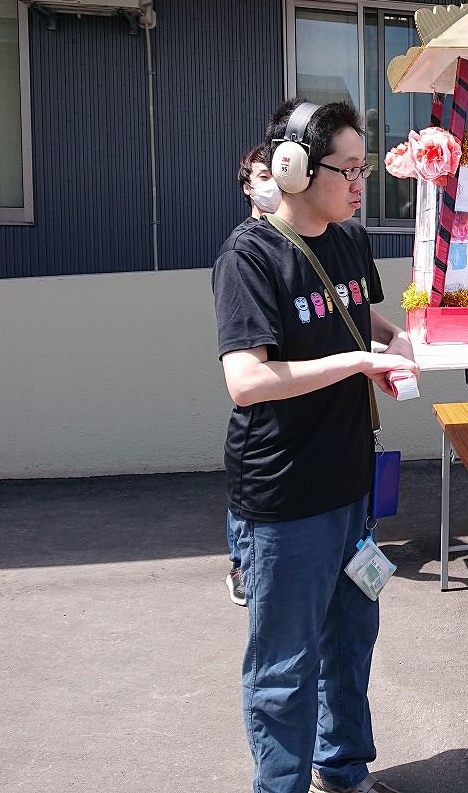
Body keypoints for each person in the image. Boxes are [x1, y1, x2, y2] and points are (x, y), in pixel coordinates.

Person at [213, 98, 418, 793]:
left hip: (352, 489)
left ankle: (344, 768)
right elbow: (246, 380)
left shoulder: (351, 239)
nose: (361, 183)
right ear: (295, 168)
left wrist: (393, 340)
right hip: (286, 499)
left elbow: (355, 308)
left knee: (351, 641)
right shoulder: (249, 255)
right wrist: (359, 363)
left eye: (365, 167)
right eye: (349, 169)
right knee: (284, 667)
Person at [224, 145, 283, 607]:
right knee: (251, 497)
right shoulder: (244, 253)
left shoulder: (302, 239)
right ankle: (242, 565)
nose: (272, 184)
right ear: (247, 185)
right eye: (262, 175)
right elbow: (244, 379)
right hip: (263, 417)